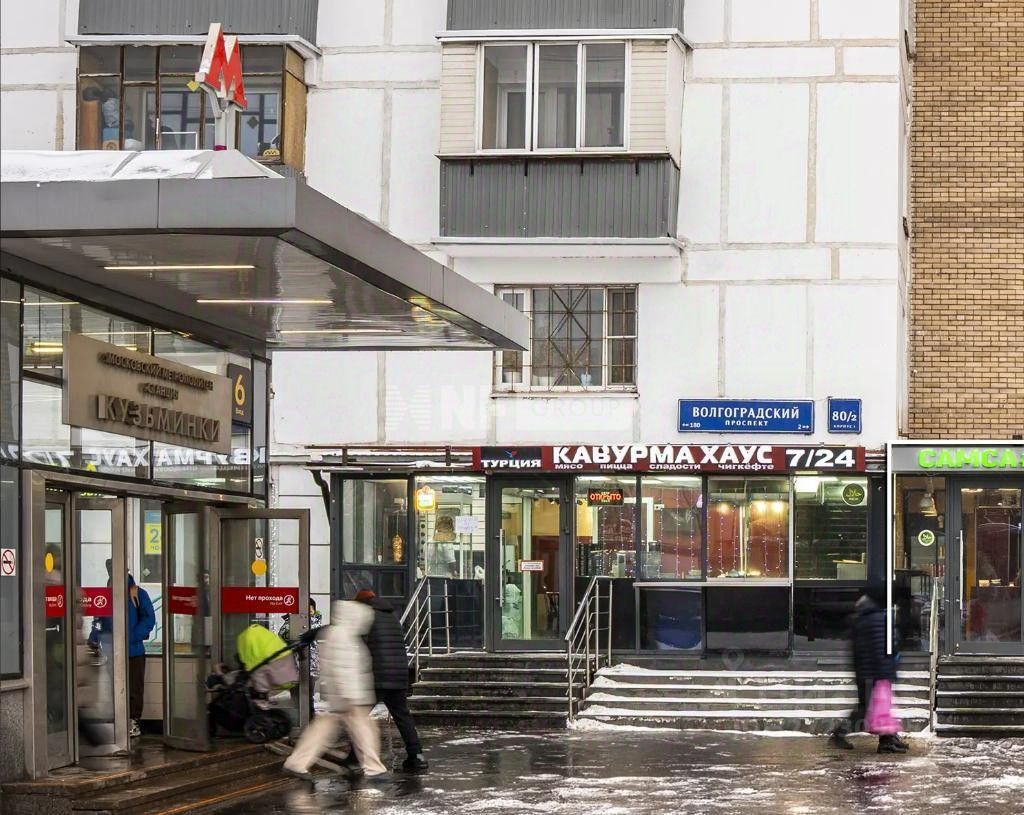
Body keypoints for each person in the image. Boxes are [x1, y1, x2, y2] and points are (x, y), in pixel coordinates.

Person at [283, 599, 389, 783]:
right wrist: (350, 694)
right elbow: (343, 667)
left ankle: (296, 763)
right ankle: (374, 768)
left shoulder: (339, 633)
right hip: (348, 693)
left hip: (344, 693)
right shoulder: (343, 636)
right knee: (362, 729)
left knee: (327, 728)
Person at [830, 583, 909, 753]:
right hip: (874, 673)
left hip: (868, 672)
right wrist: (886, 672)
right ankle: (839, 735)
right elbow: (882, 648)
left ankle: (889, 739)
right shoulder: (878, 618)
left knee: (881, 706)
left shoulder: (866, 616)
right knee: (867, 710)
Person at [354, 589, 428, 772]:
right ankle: (417, 756)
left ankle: (353, 757)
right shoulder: (391, 616)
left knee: (356, 716)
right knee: (403, 717)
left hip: (378, 676)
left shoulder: (366, 616)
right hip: (398, 674)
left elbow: (356, 641)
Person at [89, 561, 155, 738]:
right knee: (116, 686)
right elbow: (98, 620)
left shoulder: (137, 594)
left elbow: (149, 619)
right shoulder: (106, 595)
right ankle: (119, 719)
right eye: (112, 571)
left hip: (134, 651)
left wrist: (130, 637)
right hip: (112, 650)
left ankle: (133, 721)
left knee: (134, 688)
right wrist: (94, 639)